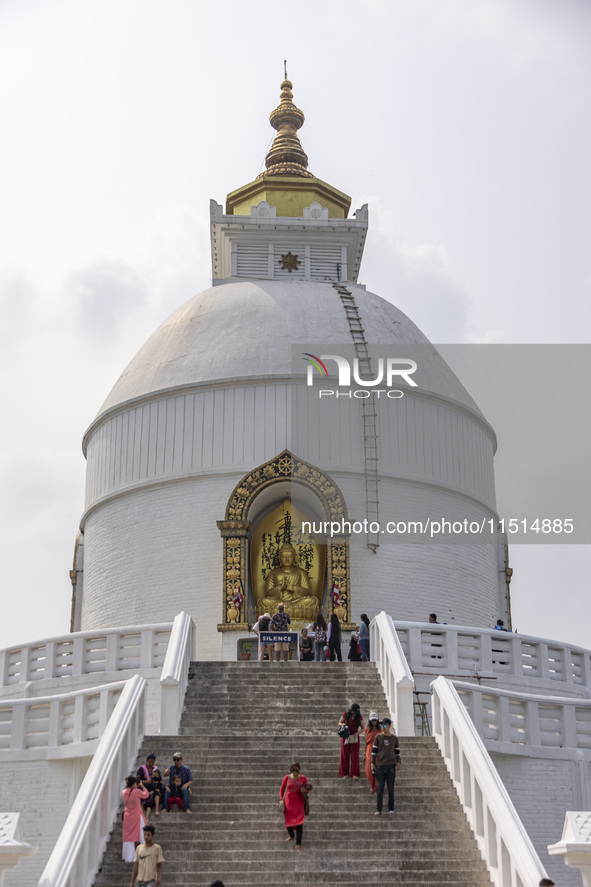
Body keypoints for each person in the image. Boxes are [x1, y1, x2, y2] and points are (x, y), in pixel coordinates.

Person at [260, 542, 319, 617]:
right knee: (264, 601)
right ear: (279, 558)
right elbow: (268, 593)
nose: (287, 559)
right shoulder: (274, 573)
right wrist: (280, 588)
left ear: (294, 557)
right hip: (279, 603)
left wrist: (293, 588)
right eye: (284, 557)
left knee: (312, 600)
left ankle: (283, 611)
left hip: (296, 602)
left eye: (289, 556)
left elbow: (307, 592)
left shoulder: (300, 572)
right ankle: (287, 610)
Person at [371, 716, 401, 814]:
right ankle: (378, 809)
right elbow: (374, 751)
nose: (383, 727)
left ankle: (391, 808)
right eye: (382, 725)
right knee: (380, 788)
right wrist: (372, 763)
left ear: (389, 726)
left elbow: (397, 752)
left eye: (385, 725)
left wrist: (399, 762)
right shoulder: (378, 737)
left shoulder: (394, 738)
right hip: (380, 765)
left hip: (391, 766)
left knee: (390, 788)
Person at [279, 761, 310, 849]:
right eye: (293, 770)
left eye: (296, 770)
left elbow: (307, 789)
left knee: (299, 822)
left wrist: (305, 791)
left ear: (299, 770)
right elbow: (282, 789)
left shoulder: (303, 778)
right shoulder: (287, 778)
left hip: (299, 803)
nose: (295, 772)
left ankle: (298, 843)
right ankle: (292, 835)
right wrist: (281, 799)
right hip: (289, 803)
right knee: (289, 822)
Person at [122, 774, 149, 862]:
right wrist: (142, 786)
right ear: (134, 783)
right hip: (137, 815)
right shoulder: (137, 791)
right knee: (142, 834)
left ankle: (128, 857)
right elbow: (146, 795)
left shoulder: (124, 792)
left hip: (127, 816)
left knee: (128, 836)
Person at [129, 822, 164, 887]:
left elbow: (159, 865)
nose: (146, 837)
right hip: (139, 880)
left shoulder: (157, 848)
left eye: (148, 835)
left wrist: (159, 878)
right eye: (145, 834)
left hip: (151, 880)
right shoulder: (139, 848)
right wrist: (132, 881)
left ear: (152, 836)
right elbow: (136, 865)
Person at [339, 702, 363, 779]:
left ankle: (354, 773)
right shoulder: (345, 714)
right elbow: (339, 722)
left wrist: (358, 733)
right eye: (353, 712)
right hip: (346, 736)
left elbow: (363, 728)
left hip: (354, 736)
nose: (354, 714)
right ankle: (345, 773)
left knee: (355, 755)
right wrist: (343, 725)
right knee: (344, 754)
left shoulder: (359, 717)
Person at [364, 712, 382, 793]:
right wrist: (364, 753)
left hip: (378, 748)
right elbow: (365, 742)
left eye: (375, 720)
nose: (374, 722)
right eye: (372, 720)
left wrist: (382, 723)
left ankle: (376, 788)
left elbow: (388, 727)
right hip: (369, 749)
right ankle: (372, 786)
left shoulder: (380, 727)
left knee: (377, 767)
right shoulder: (367, 729)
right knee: (369, 769)